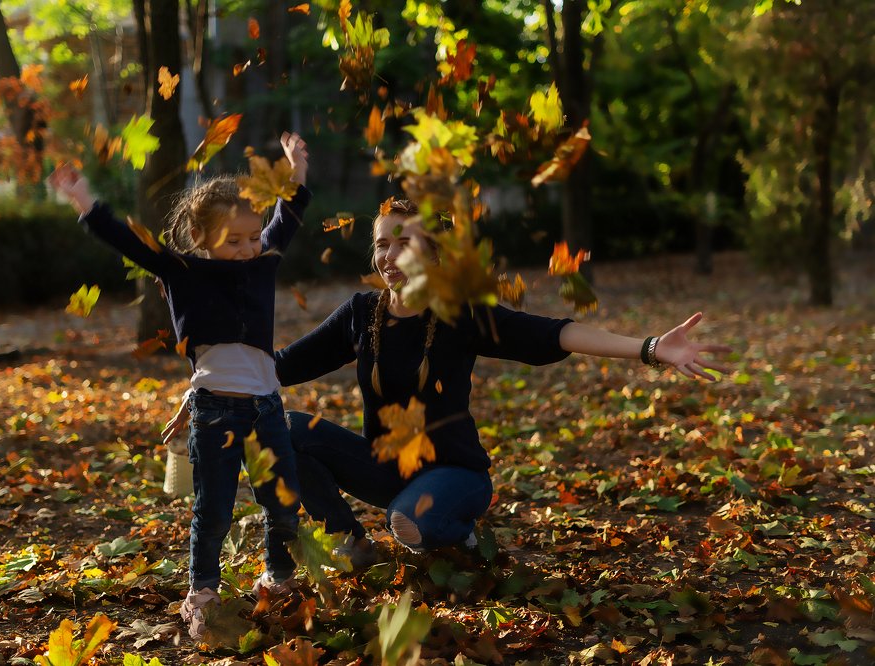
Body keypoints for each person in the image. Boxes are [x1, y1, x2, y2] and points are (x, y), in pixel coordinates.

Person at [165, 198, 731, 565]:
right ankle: (350, 540)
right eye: (381, 243)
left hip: (455, 473)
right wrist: (205, 392)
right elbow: (277, 367)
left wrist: (651, 348)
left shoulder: (461, 315)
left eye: (403, 241)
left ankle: (459, 536)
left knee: (411, 525)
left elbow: (556, 333)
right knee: (279, 430)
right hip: (384, 465)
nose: (388, 254)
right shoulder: (362, 313)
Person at [48, 131, 310, 639]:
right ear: (200, 236)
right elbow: (127, 239)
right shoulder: (182, 271)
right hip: (215, 412)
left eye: (252, 237)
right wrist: (83, 198)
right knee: (212, 508)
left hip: (266, 409)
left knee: (283, 499)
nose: (246, 249)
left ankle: (278, 579)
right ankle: (203, 593)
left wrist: (295, 166)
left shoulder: (264, 263)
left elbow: (290, 216)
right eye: (233, 241)